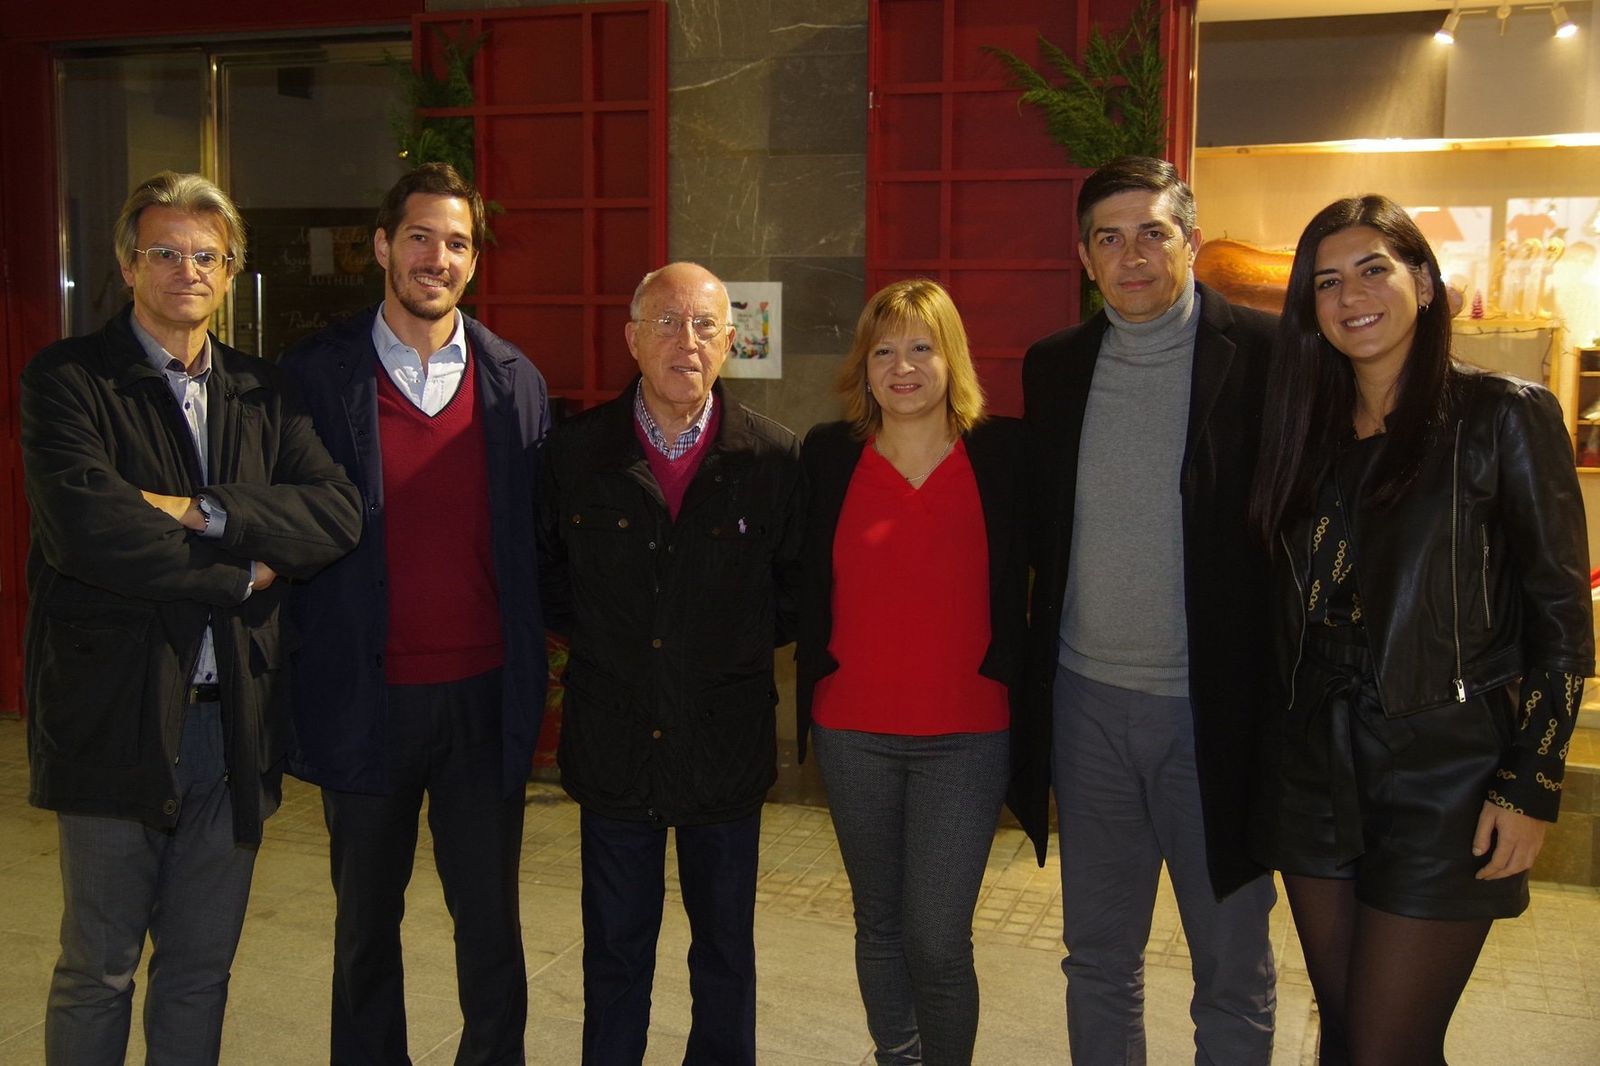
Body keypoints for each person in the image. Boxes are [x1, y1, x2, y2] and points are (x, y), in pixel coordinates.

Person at [19, 171, 362, 1065]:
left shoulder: (266, 390)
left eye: (205, 256)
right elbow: (90, 532)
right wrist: (244, 570)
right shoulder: (69, 380)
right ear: (129, 266)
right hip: (112, 714)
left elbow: (335, 515)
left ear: (231, 269)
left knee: (201, 968)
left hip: (233, 725)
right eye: (164, 253)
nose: (186, 271)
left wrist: (198, 510)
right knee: (97, 967)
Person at [1248, 194, 1592, 1065]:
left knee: (1386, 1046)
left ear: (1427, 284)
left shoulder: (1502, 415)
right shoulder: (1300, 429)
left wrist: (1532, 781)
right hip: (1314, 761)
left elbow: (1561, 616)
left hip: (1447, 767)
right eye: (1326, 282)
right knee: (1343, 1032)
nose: (1350, 295)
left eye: (1374, 269)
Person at [278, 161, 550, 1064]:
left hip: (481, 701)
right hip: (367, 699)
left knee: (491, 930)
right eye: (422, 237)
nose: (439, 257)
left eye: (459, 243)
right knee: (363, 928)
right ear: (385, 246)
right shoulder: (315, 376)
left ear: (475, 262)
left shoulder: (517, 382)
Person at [1020, 155, 1278, 1064]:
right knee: (1097, 957)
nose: (1133, 257)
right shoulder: (1052, 369)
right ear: (1084, 258)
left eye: (1153, 234)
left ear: (1192, 243)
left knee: (1232, 965)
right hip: (1087, 706)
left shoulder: (1270, 358)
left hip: (1215, 716)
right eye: (1109, 238)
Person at [538, 261, 803, 1065]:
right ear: (632, 339)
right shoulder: (576, 454)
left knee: (724, 957)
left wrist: (707, 655)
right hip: (614, 743)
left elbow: (790, 597)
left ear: (730, 341)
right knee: (615, 954)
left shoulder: (773, 460)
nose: (683, 341)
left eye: (703, 326)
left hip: (723, 747)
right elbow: (550, 582)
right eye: (664, 322)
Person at [794, 279, 1045, 1065]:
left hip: (967, 738)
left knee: (937, 938)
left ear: (952, 358)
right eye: (884, 351)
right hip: (852, 731)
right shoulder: (827, 456)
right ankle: (896, 1055)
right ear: (864, 367)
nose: (903, 367)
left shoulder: (1006, 455)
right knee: (879, 923)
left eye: (921, 347)